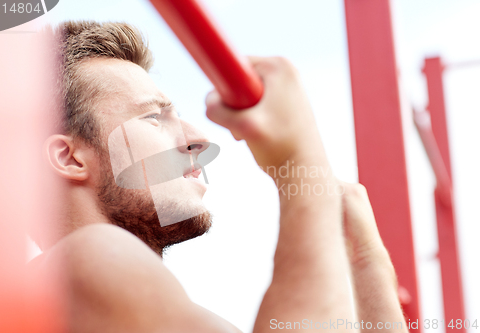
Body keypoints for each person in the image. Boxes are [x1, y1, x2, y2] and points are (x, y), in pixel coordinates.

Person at [30, 20, 408, 332]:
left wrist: (366, 260)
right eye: (153, 117)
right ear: (69, 157)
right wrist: (301, 163)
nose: (198, 139)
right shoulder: (86, 259)